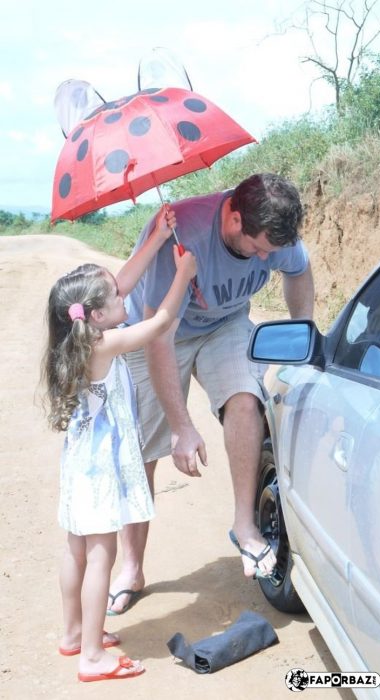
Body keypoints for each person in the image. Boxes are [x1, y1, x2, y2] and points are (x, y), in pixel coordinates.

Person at [106, 172, 315, 615]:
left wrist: (302, 335)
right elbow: (159, 334)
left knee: (246, 399)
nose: (265, 259)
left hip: (226, 324)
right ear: (234, 219)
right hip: (157, 331)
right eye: (259, 249)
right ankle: (131, 567)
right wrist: (182, 427)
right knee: (144, 450)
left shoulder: (275, 234)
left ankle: (245, 525)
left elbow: (298, 270)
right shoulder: (183, 232)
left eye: (271, 253)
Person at [42, 205, 196, 682]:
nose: (124, 292)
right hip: (102, 471)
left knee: (76, 549)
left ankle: (72, 635)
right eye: (115, 295)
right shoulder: (105, 344)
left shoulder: (80, 336)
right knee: (101, 555)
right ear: (95, 314)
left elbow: (121, 281)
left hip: (79, 467)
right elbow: (161, 321)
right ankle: (91, 655)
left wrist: (155, 239)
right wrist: (184, 274)